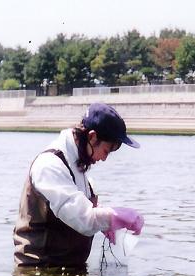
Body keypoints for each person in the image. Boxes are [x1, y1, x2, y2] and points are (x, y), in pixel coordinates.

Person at [14, 103, 144, 267]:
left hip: (66, 270)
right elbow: (83, 219)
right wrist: (113, 217)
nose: (104, 159)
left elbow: (81, 205)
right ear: (92, 137)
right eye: (106, 150)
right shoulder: (49, 165)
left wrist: (104, 221)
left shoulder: (77, 164)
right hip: (40, 272)